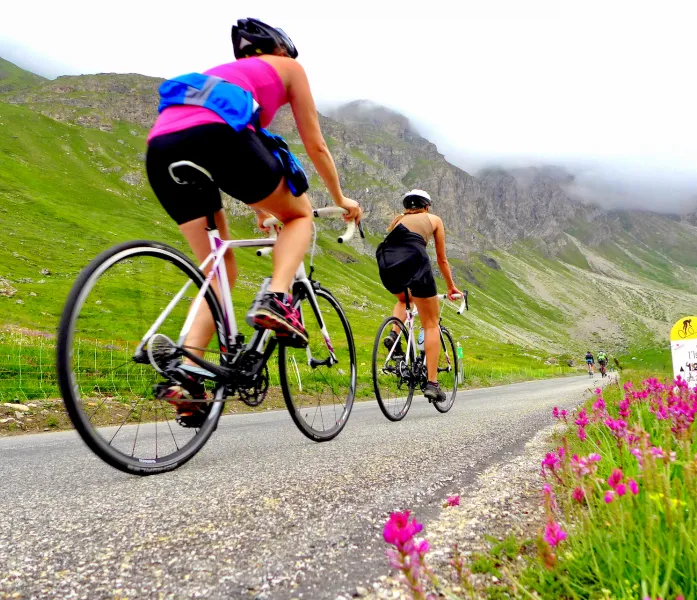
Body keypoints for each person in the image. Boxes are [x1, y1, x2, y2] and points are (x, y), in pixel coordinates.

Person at [145, 18, 361, 425]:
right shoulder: (289, 67)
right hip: (218, 137)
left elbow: (240, 147)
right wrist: (340, 199)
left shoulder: (220, 76)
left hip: (161, 148)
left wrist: (262, 209)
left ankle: (188, 371)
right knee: (299, 215)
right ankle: (277, 298)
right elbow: (314, 144)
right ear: (280, 49)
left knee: (218, 267)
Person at [376, 190, 462, 402]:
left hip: (385, 258)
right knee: (431, 324)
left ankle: (394, 334)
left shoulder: (397, 221)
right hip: (414, 256)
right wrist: (451, 287)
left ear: (407, 207)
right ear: (426, 206)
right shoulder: (434, 219)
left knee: (403, 299)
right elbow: (441, 259)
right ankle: (432, 383)